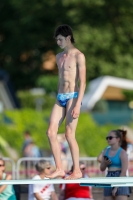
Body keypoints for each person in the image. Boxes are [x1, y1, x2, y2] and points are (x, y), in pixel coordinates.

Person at [46, 24, 86, 179]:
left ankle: (77, 171)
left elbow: (82, 82)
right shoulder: (58, 57)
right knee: (50, 132)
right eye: (57, 40)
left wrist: (78, 104)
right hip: (60, 96)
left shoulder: (79, 56)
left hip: (73, 96)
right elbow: (60, 79)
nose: (58, 42)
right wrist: (57, 96)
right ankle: (60, 168)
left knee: (69, 134)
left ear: (68, 38)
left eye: (60, 39)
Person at [100, 129, 130, 200]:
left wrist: (116, 187)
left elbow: (123, 172)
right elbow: (102, 168)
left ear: (118, 139)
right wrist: (105, 163)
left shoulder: (122, 153)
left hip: (120, 177)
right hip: (109, 176)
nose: (108, 139)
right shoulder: (105, 151)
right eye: (107, 138)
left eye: (110, 138)